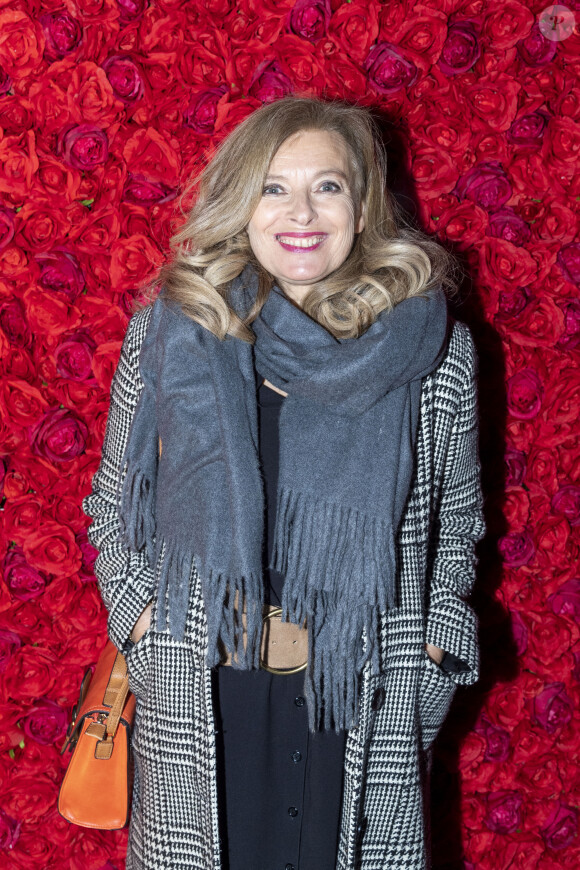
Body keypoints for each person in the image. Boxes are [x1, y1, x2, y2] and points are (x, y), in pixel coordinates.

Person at [83, 96, 485, 870]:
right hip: (203, 686)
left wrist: (432, 658)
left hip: (357, 689)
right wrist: (140, 625)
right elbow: (112, 503)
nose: (301, 212)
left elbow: (457, 525)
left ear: (363, 204)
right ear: (243, 202)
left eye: (327, 187)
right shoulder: (175, 330)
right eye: (274, 187)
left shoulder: (433, 353)